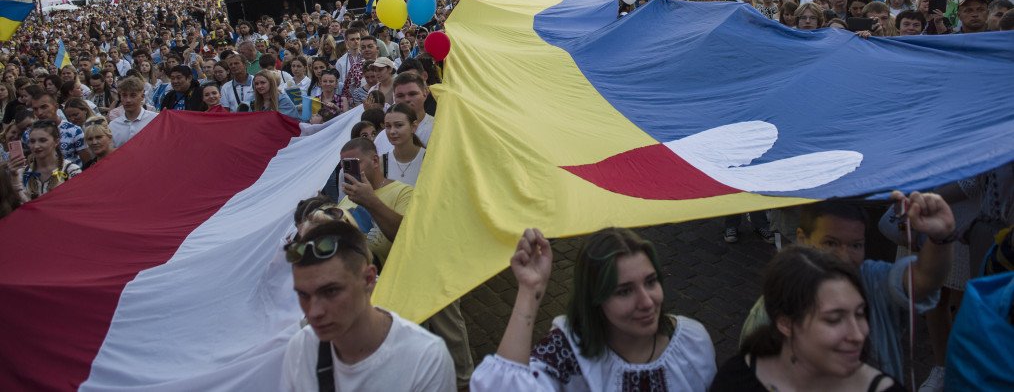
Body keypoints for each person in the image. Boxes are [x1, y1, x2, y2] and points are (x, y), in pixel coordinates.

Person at [739, 194, 955, 381]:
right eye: (830, 243)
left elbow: (923, 280)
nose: (844, 257)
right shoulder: (769, 314)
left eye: (855, 245)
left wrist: (939, 237)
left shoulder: (873, 279)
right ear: (802, 239)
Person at [471, 227, 716, 391]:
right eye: (624, 291)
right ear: (595, 300)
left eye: (651, 282)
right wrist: (529, 291)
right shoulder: (567, 353)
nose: (647, 301)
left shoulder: (692, 344)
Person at [280, 219, 455, 391]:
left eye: (331, 291)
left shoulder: (425, 357)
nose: (314, 312)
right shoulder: (301, 348)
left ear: (369, 279)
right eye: (303, 294)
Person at [711, 246, 904, 391]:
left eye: (860, 313)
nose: (858, 335)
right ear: (786, 323)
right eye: (834, 319)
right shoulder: (736, 380)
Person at [335, 137, 413, 268]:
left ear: (375, 161)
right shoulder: (347, 198)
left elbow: (406, 237)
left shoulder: (404, 192)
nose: (348, 172)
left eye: (354, 164)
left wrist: (371, 201)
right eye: (345, 166)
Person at [13, 119, 82, 200]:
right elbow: (21, 206)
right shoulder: (22, 173)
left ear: (56, 142)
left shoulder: (71, 171)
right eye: (32, 141)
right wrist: (14, 177)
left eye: (42, 140)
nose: (36, 146)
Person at [108, 76, 159, 147]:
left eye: (133, 95)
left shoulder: (155, 119)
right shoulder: (113, 125)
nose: (128, 100)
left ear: (142, 96)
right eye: (124, 95)